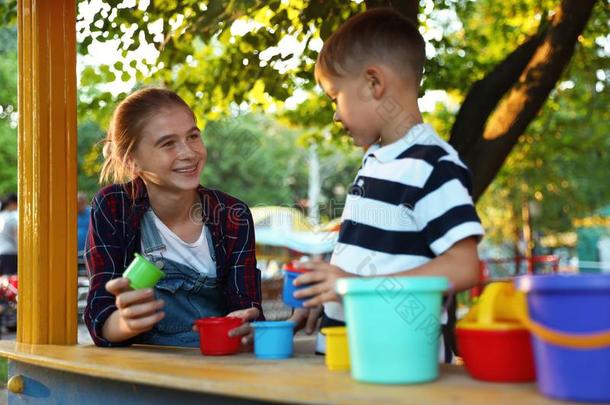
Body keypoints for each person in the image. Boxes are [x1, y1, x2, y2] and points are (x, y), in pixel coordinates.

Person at [291, 8, 485, 361]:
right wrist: (328, 298)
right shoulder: (377, 163)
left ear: (373, 83)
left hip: (400, 366)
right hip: (350, 361)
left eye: (335, 98)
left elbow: (464, 266)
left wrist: (351, 287)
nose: (335, 114)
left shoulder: (433, 166)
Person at [84, 88, 263, 348]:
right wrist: (124, 322)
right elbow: (101, 317)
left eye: (193, 136)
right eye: (168, 143)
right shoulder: (113, 207)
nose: (189, 153)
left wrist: (248, 325)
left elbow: (248, 311)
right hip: (145, 377)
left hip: (220, 368)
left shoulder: (232, 214)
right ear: (131, 160)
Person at [0, 193, 18, 275]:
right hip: (10, 253)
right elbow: (16, 237)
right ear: (12, 203)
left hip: (1, 252)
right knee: (9, 281)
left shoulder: (1, 216)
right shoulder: (11, 218)